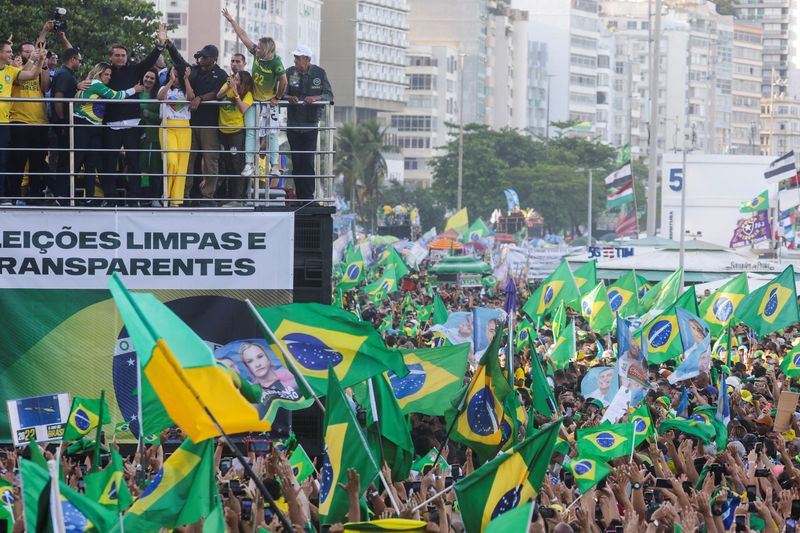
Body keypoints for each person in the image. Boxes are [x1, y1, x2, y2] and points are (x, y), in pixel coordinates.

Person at [100, 24, 169, 206]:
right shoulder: (105, 72)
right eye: (117, 55)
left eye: (123, 55)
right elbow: (92, 81)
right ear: (111, 57)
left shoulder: (134, 70)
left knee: (134, 162)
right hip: (111, 124)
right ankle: (110, 198)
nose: (121, 58)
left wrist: (160, 45)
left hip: (132, 123)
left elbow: (149, 60)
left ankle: (134, 197)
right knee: (109, 162)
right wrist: (80, 85)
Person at [222, 8, 288, 180]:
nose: (255, 47)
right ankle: (249, 163)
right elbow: (243, 35)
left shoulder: (276, 62)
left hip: (270, 102)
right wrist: (231, 21)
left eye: (259, 46)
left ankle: (274, 165)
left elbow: (284, 81)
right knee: (251, 130)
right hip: (254, 99)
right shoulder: (256, 54)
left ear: (266, 49)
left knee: (272, 132)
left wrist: (278, 98)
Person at [73, 63, 144, 204]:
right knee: (77, 162)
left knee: (91, 164)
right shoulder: (96, 84)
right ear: (99, 74)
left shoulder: (94, 84)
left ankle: (89, 198)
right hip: (83, 125)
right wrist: (134, 89)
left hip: (94, 127)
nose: (109, 77)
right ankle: (65, 196)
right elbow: (117, 96)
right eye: (106, 74)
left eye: (110, 75)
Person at [178, 44, 227, 205]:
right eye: (200, 56)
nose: (201, 59)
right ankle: (184, 194)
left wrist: (200, 98)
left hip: (210, 124)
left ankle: (207, 196)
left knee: (210, 160)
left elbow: (218, 93)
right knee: (188, 159)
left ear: (214, 59)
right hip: (190, 122)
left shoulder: (220, 74)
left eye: (205, 57)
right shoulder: (194, 70)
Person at [283, 45, 333, 200]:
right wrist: (287, 98)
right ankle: (299, 196)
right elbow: (279, 93)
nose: (295, 60)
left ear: (307, 59)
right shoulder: (290, 72)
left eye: (298, 58)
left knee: (308, 162)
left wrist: (315, 98)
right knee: (297, 163)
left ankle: (308, 197)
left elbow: (329, 96)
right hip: (293, 124)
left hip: (310, 125)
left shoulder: (319, 73)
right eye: (295, 57)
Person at [0, 40, 45, 206]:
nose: (11, 54)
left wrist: (40, 61)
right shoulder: (14, 67)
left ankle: (4, 197)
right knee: (12, 161)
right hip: (15, 120)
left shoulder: (11, 70)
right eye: (8, 51)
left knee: (4, 161)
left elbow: (31, 76)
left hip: (4, 122)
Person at [8, 31, 51, 204]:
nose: (30, 53)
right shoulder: (14, 69)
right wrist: (34, 60)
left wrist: (44, 65)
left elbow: (46, 87)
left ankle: (36, 198)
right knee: (17, 162)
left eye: (32, 51)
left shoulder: (38, 67)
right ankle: (13, 197)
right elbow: (20, 80)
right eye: (27, 51)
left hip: (40, 122)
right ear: (20, 54)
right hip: (19, 120)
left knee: (38, 163)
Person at [157, 66, 194, 207]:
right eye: (175, 76)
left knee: (182, 165)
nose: (177, 79)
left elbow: (191, 98)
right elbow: (160, 97)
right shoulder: (164, 88)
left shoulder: (187, 89)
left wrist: (186, 80)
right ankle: (165, 194)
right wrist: (171, 81)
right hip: (168, 126)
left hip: (184, 127)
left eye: (179, 77)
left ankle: (175, 200)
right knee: (171, 161)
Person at [215, 70, 254, 205]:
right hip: (222, 130)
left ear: (243, 83)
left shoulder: (247, 94)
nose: (234, 81)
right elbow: (218, 95)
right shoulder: (227, 87)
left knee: (236, 164)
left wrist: (236, 93)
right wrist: (228, 86)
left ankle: (237, 197)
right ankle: (223, 196)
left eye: (237, 80)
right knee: (223, 164)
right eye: (234, 78)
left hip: (236, 132)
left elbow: (243, 109)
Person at [49, 47, 81, 200]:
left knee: (67, 159)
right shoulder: (63, 74)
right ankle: (61, 193)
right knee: (64, 160)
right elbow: (58, 97)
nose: (80, 63)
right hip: (63, 124)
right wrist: (62, 121)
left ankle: (63, 192)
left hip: (67, 123)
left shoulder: (67, 74)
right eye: (79, 60)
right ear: (73, 59)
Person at [138, 68, 162, 204]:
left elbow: (163, 117)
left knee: (153, 167)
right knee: (138, 166)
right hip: (136, 136)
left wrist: (150, 115)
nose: (148, 80)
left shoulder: (158, 96)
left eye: (152, 78)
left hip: (152, 136)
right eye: (147, 76)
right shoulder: (135, 93)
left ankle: (153, 198)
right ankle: (139, 197)